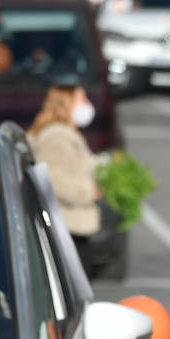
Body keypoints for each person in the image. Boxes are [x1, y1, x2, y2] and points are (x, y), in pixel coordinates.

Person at [28, 80, 118, 270]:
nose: (88, 105)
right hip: (66, 226)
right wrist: (89, 192)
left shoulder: (65, 134)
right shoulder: (57, 137)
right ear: (66, 104)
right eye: (82, 99)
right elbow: (52, 178)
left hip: (69, 225)